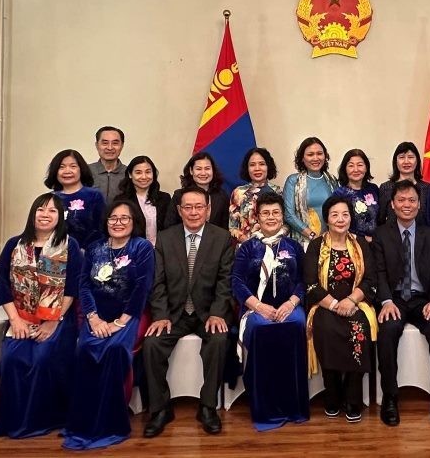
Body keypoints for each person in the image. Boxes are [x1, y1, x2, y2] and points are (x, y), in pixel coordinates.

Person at [142, 187, 235, 437]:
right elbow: (157, 282)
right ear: (179, 210)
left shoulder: (222, 238)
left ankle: (207, 406)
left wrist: (217, 312)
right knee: (152, 344)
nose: (194, 212)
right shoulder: (164, 238)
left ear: (208, 209)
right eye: (188, 207)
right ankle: (161, 409)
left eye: (199, 207)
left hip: (208, 313)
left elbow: (225, 282)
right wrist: (160, 315)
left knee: (218, 341)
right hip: (174, 313)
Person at [62, 199, 155, 449]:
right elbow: (84, 285)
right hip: (97, 316)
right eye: (113, 218)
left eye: (125, 218)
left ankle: (111, 421)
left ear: (134, 222)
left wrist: (119, 322)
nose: (118, 223)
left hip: (131, 314)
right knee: (84, 350)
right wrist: (93, 317)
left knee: (114, 350)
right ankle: (84, 420)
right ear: (106, 222)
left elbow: (141, 289)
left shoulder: (142, 248)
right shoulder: (94, 248)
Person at [0, 193, 81, 438]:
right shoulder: (14, 245)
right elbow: (2, 286)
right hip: (20, 316)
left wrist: (53, 322)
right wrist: (15, 320)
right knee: (11, 360)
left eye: (52, 211)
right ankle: (13, 421)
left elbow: (72, 288)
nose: (45, 215)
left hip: (58, 318)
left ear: (60, 217)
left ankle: (44, 420)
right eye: (41, 210)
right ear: (33, 214)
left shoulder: (69, 245)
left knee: (43, 359)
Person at [373, 180, 430, 427]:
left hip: (422, 299)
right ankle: (390, 397)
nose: (407, 205)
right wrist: (385, 301)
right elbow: (380, 273)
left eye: (412, 200)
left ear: (419, 204)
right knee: (387, 332)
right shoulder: (381, 234)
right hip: (393, 299)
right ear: (393, 204)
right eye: (401, 200)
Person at [231, 192, 309, 431]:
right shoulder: (247, 247)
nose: (271, 217)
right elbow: (237, 281)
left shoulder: (294, 245)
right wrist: (259, 306)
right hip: (256, 308)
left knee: (295, 326)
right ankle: (265, 407)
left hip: (290, 307)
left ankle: (293, 406)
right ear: (258, 216)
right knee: (262, 329)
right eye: (266, 213)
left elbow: (304, 280)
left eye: (275, 212)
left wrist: (291, 303)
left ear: (282, 216)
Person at [303, 196, 376, 423]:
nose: (340, 219)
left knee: (359, 330)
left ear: (350, 217)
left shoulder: (360, 244)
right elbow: (311, 284)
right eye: (335, 215)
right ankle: (332, 395)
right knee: (325, 329)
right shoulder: (316, 246)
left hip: (355, 304)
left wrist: (351, 301)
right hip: (325, 305)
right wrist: (335, 304)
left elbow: (370, 280)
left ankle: (353, 399)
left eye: (345, 214)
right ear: (327, 218)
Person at [44, 149, 106, 250]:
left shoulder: (94, 195)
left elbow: (102, 229)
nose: (67, 171)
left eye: (73, 166)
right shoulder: (50, 199)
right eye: (61, 167)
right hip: (55, 255)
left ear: (81, 169)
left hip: (89, 254)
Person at [283, 137, 338, 247]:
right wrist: (312, 235)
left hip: (331, 240)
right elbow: (289, 214)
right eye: (310, 154)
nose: (316, 158)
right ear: (302, 158)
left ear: (325, 156)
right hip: (304, 242)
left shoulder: (332, 181)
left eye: (319, 153)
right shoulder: (293, 180)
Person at [115, 155, 173, 246]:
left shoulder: (164, 198)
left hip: (162, 251)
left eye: (148, 172)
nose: (144, 176)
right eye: (138, 172)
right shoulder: (122, 200)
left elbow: (170, 228)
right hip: (134, 250)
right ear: (130, 174)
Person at [228, 148, 282, 246]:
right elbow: (232, 228)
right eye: (252, 165)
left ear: (268, 166)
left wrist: (271, 242)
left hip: (274, 246)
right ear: (247, 168)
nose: (257, 168)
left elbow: (284, 224)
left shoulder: (278, 192)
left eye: (261, 164)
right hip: (246, 248)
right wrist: (249, 243)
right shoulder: (238, 193)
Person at [169, 152, 230, 230]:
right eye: (198, 169)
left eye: (207, 168)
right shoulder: (179, 195)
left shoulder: (222, 195)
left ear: (213, 171)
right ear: (191, 171)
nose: (203, 173)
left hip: (215, 241)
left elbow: (225, 227)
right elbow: (170, 226)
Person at [377, 142, 430, 225]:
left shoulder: (427, 188)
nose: (406, 161)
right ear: (395, 161)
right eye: (401, 157)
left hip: (422, 236)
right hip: (391, 236)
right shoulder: (386, 187)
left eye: (411, 157)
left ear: (417, 161)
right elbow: (381, 219)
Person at [333, 149, 380, 241]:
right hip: (351, 243)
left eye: (360, 165)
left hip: (375, 243)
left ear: (366, 168)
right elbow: (336, 224)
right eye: (351, 166)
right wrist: (363, 239)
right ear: (345, 169)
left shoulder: (374, 189)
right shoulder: (339, 194)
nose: (356, 169)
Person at [89, 126, 127, 204]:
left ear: (122, 146)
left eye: (115, 143)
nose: (110, 148)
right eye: (105, 143)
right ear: (97, 145)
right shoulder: (85, 171)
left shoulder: (129, 173)